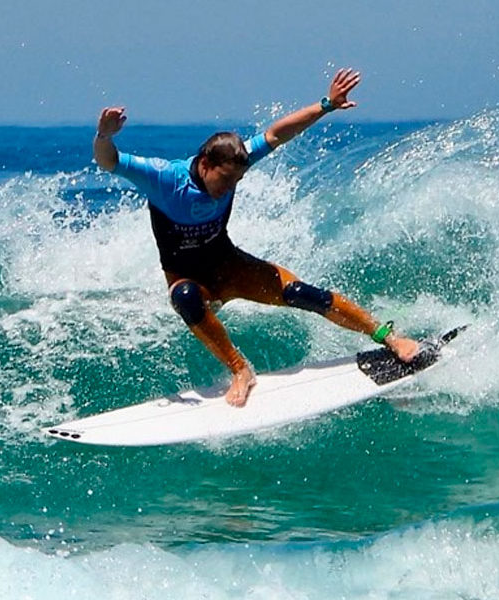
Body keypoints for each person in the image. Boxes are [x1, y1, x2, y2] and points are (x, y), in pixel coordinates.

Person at [93, 68, 419, 407]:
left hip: (231, 268)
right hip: (190, 280)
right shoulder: (165, 179)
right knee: (185, 297)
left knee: (302, 294)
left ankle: (389, 337)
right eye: (224, 179)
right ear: (204, 163)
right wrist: (104, 135)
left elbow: (277, 133)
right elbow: (109, 161)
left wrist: (326, 105)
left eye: (236, 181)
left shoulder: (235, 160)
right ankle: (240, 370)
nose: (228, 188)